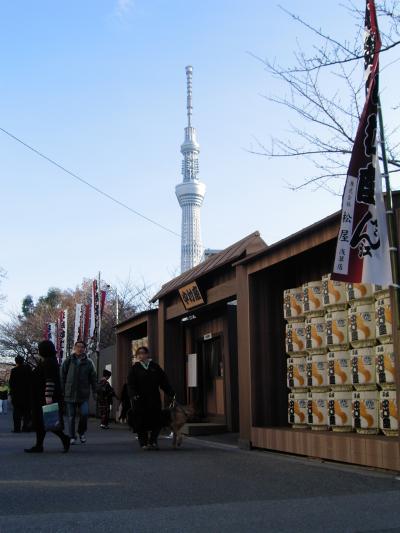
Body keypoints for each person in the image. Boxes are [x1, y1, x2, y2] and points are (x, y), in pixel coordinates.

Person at [24, 340, 70, 453]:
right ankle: (39, 445)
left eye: (40, 349)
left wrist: (48, 396)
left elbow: (50, 380)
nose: (39, 351)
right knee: (41, 423)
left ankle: (64, 438)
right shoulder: (48, 361)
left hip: (45, 397)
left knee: (49, 421)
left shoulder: (49, 362)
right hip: (41, 397)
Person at [127, 346, 175, 450]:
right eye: (139, 354)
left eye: (143, 353)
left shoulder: (155, 367)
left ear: (147, 354)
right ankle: (143, 443)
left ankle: (153, 441)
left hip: (154, 398)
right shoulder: (135, 368)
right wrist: (133, 394)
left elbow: (163, 381)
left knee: (157, 420)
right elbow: (130, 384)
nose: (141, 355)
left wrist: (170, 392)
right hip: (139, 399)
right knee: (141, 421)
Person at [60, 340, 97, 444]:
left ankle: (81, 432)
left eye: (82, 347)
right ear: (74, 348)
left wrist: (95, 391)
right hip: (69, 393)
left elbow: (93, 378)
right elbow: (62, 376)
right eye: (78, 347)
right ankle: (72, 436)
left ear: (85, 349)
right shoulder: (68, 360)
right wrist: (62, 390)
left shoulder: (89, 362)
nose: (80, 349)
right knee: (71, 416)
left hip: (83, 393)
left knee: (84, 414)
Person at [9, 355, 31, 432]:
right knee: (26, 412)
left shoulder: (14, 371)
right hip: (27, 395)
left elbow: (11, 384)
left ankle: (17, 428)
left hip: (16, 395)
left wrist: (11, 394)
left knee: (16, 413)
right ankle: (25, 427)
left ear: (16, 362)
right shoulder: (28, 370)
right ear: (23, 361)